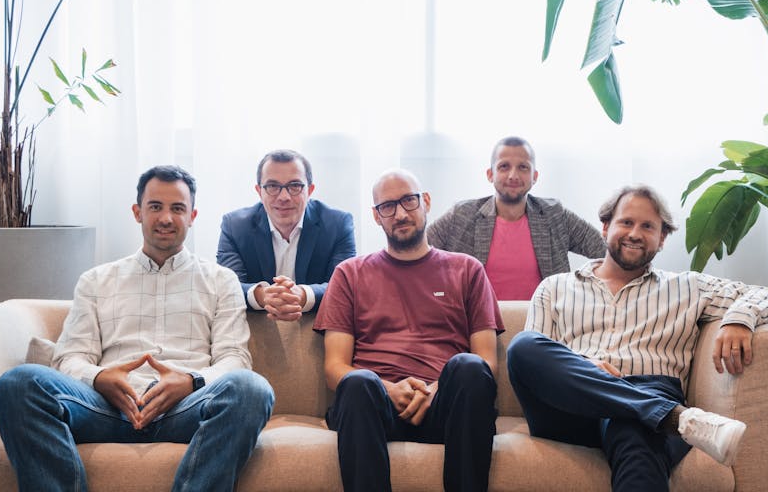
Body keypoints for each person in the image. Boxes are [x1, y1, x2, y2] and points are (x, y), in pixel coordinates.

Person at [0, 165, 275, 492]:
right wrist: (99, 378)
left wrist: (189, 381)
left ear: (193, 216)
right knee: (17, 383)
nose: (166, 218)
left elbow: (235, 359)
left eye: (177, 208)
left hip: (186, 408)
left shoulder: (220, 280)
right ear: (137, 212)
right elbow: (69, 358)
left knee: (252, 389)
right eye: (155, 207)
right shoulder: (96, 280)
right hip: (104, 408)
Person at [506, 184, 768, 491]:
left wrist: (739, 319)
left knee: (635, 430)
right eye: (626, 222)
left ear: (662, 238)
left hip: (648, 391)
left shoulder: (689, 287)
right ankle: (678, 419)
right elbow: (536, 366)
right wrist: (584, 366)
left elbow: (766, 296)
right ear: (605, 227)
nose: (635, 234)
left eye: (648, 226)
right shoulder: (554, 287)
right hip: (570, 408)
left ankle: (657, 414)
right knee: (523, 346)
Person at [313, 169, 504, 492]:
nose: (400, 213)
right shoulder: (349, 274)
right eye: (388, 206)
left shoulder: (467, 269)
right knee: (357, 381)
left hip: (447, 406)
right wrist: (389, 389)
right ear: (376, 217)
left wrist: (435, 390)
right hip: (375, 407)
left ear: (426, 201)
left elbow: (487, 361)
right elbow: (335, 368)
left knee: (470, 368)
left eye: (408, 201)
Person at [427, 136, 605, 299]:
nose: (513, 175)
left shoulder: (555, 215)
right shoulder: (462, 215)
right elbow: (417, 249)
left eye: (523, 167)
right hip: (475, 327)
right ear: (490, 174)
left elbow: (604, 250)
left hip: (543, 326)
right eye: (504, 166)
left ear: (534, 176)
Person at [217, 149, 356, 321]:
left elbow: (344, 286)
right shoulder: (235, 226)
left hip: (316, 324)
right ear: (259, 191)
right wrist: (263, 295)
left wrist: (303, 295)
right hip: (256, 326)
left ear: (310, 190)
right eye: (273, 186)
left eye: (295, 186)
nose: (284, 197)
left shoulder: (338, 224)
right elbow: (228, 286)